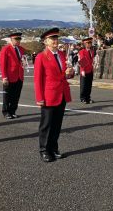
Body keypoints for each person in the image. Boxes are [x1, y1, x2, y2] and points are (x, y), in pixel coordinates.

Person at [34, 28, 74, 162]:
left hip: (61, 94)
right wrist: (39, 98)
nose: (55, 41)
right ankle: (44, 150)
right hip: (49, 95)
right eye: (52, 39)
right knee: (46, 125)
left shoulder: (62, 54)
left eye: (56, 38)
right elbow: (38, 80)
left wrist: (70, 72)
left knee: (57, 124)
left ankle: (53, 148)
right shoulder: (41, 57)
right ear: (45, 42)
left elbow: (66, 74)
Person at [0, 32, 26, 119]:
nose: (18, 41)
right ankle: (6, 111)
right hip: (9, 76)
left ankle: (13, 111)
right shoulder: (5, 49)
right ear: (11, 39)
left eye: (19, 39)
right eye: (16, 39)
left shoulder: (21, 49)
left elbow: (22, 60)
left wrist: (24, 64)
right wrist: (4, 77)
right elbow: (2, 64)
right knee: (7, 95)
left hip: (19, 75)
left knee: (16, 95)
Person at [78, 37, 95, 104]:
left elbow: (92, 60)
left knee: (89, 85)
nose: (89, 44)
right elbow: (82, 60)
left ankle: (88, 98)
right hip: (84, 70)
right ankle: (83, 98)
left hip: (90, 70)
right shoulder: (82, 51)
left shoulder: (92, 51)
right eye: (88, 43)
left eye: (90, 42)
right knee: (83, 85)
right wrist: (82, 70)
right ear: (85, 44)